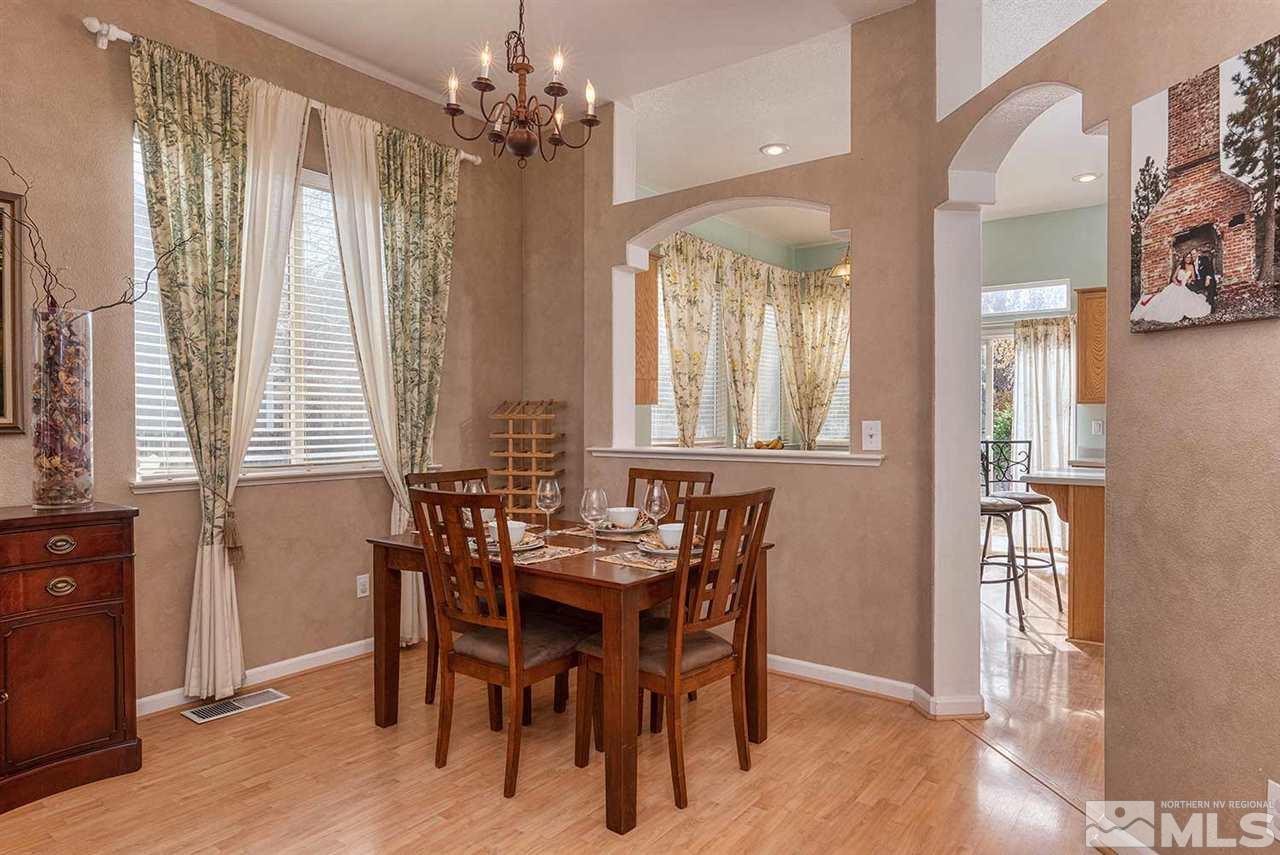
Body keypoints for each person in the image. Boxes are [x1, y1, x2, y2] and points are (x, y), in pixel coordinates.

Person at [1130, 252, 1212, 324]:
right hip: (1175, 285)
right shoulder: (1180, 266)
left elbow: (1193, 278)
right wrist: (1176, 282)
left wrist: (1189, 279)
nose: (1188, 259)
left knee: (1186, 300)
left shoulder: (1191, 266)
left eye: (1190, 257)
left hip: (1184, 287)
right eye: (1187, 257)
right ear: (1184, 258)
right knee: (1164, 300)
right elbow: (1173, 277)